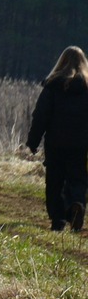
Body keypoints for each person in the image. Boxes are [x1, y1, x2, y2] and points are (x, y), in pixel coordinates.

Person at [26, 46, 88, 232]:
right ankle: (77, 203)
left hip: (56, 142)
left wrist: (33, 141)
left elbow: (41, 115)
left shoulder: (52, 85)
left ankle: (58, 220)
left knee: (55, 181)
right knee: (78, 178)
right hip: (81, 144)